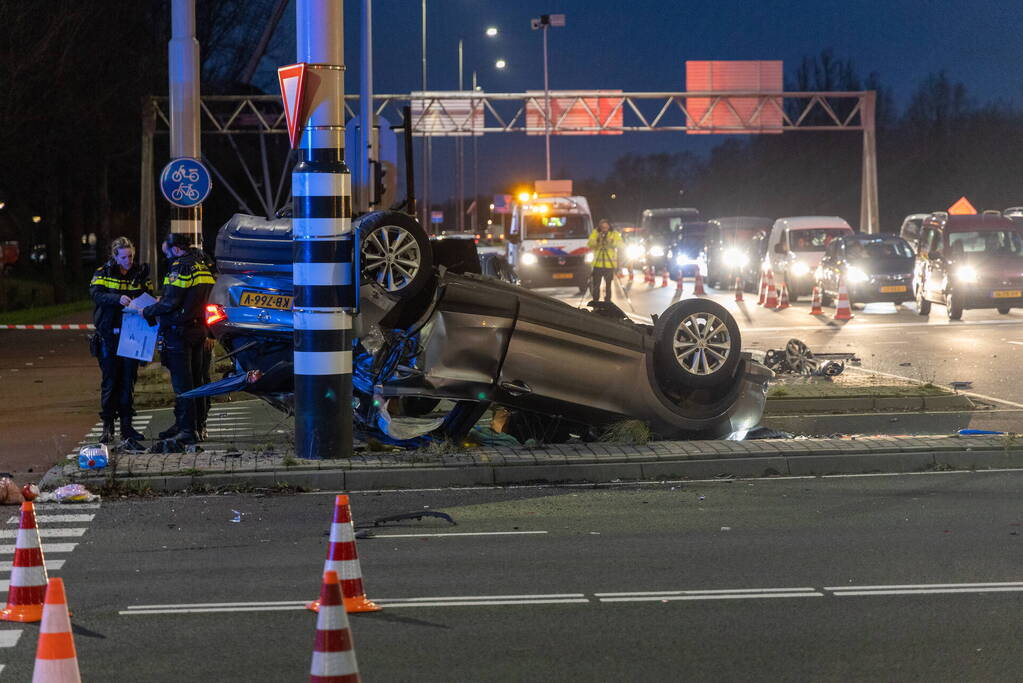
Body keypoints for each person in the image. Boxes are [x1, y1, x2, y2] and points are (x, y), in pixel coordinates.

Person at [142, 232, 215, 445]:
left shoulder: (179, 267)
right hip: (199, 330)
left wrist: (147, 310)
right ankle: (197, 426)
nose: (168, 258)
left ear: (175, 249)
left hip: (179, 333)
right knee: (198, 382)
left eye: (167, 253)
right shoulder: (203, 265)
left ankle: (187, 430)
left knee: (183, 385)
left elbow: (170, 302)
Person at [89, 237, 153, 444]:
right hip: (109, 334)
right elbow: (96, 295)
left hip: (132, 334)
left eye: (131, 256)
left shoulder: (140, 273)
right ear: (115, 256)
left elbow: (149, 294)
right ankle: (108, 427)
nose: (128, 261)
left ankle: (127, 427)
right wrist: (117, 299)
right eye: (124, 257)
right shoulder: (103, 272)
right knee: (110, 382)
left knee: (128, 381)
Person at [587, 218, 622, 302]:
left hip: (609, 265)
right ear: (600, 227)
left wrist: (612, 242)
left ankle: (608, 302)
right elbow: (590, 244)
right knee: (596, 286)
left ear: (609, 227)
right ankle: (596, 302)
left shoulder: (614, 234)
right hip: (597, 265)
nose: (604, 229)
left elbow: (621, 245)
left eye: (606, 227)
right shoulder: (596, 233)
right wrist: (597, 240)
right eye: (602, 227)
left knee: (608, 286)